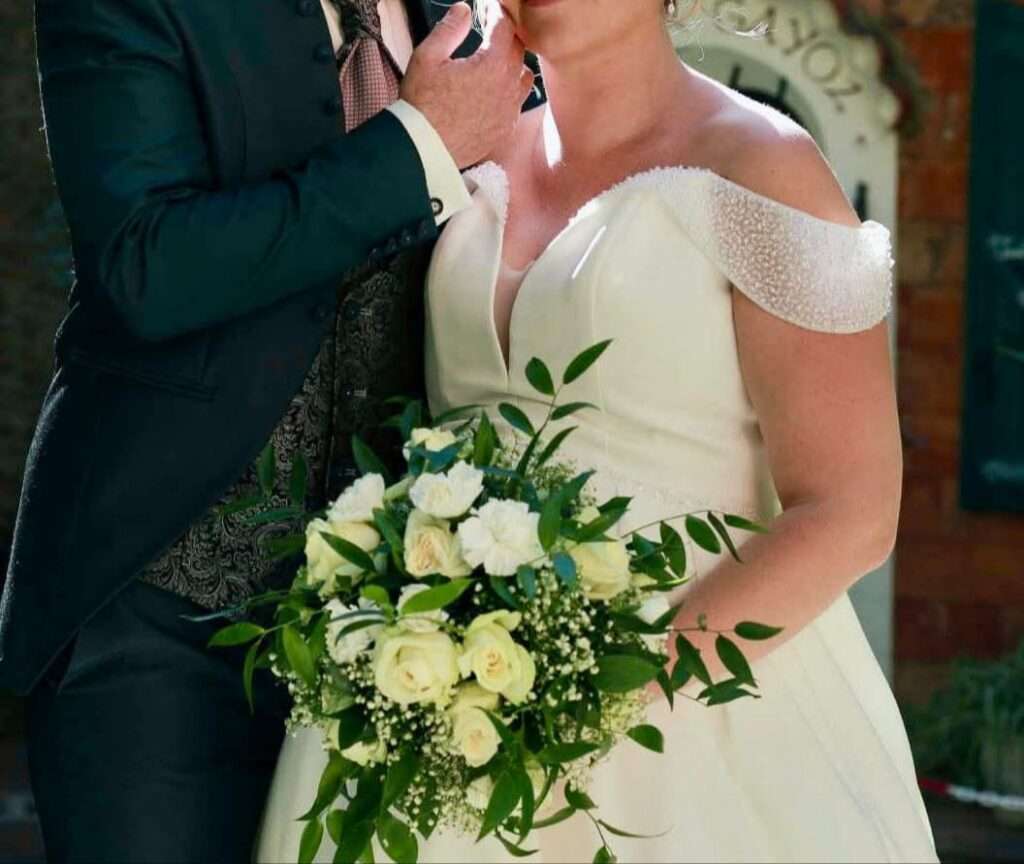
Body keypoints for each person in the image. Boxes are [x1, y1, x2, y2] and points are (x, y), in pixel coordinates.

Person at [259, 0, 939, 861]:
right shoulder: (463, 158)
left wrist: (608, 694)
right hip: (449, 705)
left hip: (690, 713)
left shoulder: (760, 166)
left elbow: (851, 512)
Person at [0, 0, 534, 861]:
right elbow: (143, 264)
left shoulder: (470, 16)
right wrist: (416, 145)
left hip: (405, 639)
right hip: (159, 613)